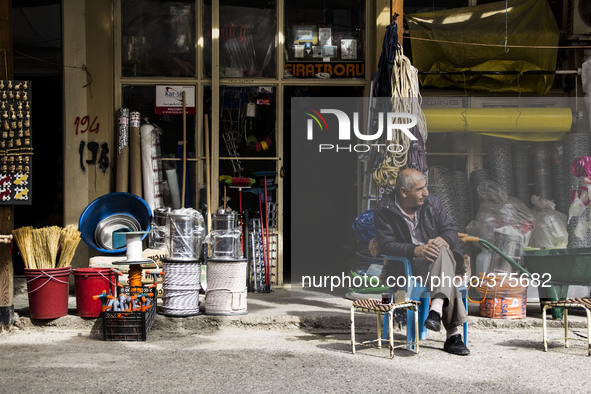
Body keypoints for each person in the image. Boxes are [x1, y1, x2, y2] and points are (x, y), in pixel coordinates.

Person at [374, 168, 470, 356]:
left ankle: (435, 310)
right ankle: (452, 335)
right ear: (403, 192)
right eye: (420, 189)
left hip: (436, 263)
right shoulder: (384, 208)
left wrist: (445, 239)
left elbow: (450, 230)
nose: (426, 193)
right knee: (446, 273)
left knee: (441, 250)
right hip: (408, 266)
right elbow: (385, 245)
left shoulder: (432, 203)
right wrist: (414, 250)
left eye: (425, 188)